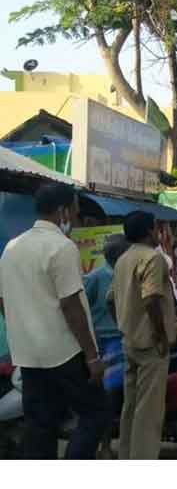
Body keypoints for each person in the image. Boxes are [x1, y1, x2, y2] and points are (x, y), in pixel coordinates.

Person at [0, 183, 111, 459]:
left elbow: (3, 300)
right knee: (96, 413)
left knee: (40, 423)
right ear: (63, 211)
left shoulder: (13, 247)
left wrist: (23, 328)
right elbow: (71, 306)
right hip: (64, 352)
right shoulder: (62, 247)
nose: (75, 215)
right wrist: (92, 356)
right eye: (74, 208)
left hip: (28, 354)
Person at [108, 211, 175, 460]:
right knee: (149, 412)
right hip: (150, 345)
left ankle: (126, 456)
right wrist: (159, 334)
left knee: (131, 407)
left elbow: (109, 300)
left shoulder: (123, 259)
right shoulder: (153, 258)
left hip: (130, 342)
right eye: (157, 229)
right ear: (150, 231)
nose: (159, 233)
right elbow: (151, 298)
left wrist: (125, 323)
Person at [84, 235, 129, 355]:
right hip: (107, 338)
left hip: (129, 335)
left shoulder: (129, 274)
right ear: (121, 255)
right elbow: (82, 307)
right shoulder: (95, 277)